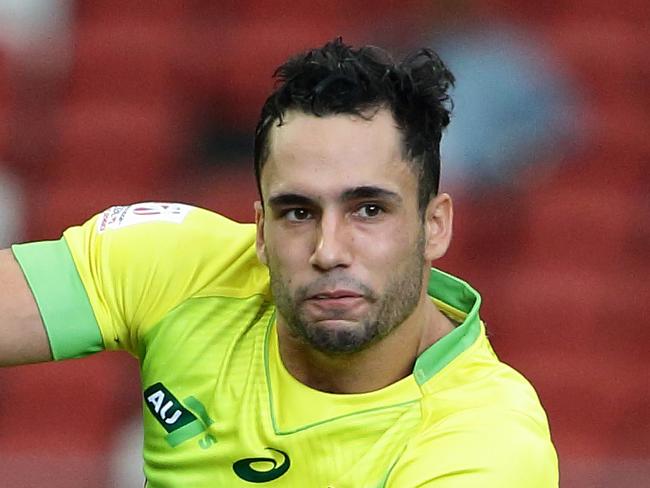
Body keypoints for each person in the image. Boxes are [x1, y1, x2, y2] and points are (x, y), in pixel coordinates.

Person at [0, 39, 558, 486]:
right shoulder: (179, 267)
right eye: (297, 212)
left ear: (434, 225)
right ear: (260, 229)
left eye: (368, 209)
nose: (330, 250)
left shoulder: (486, 446)